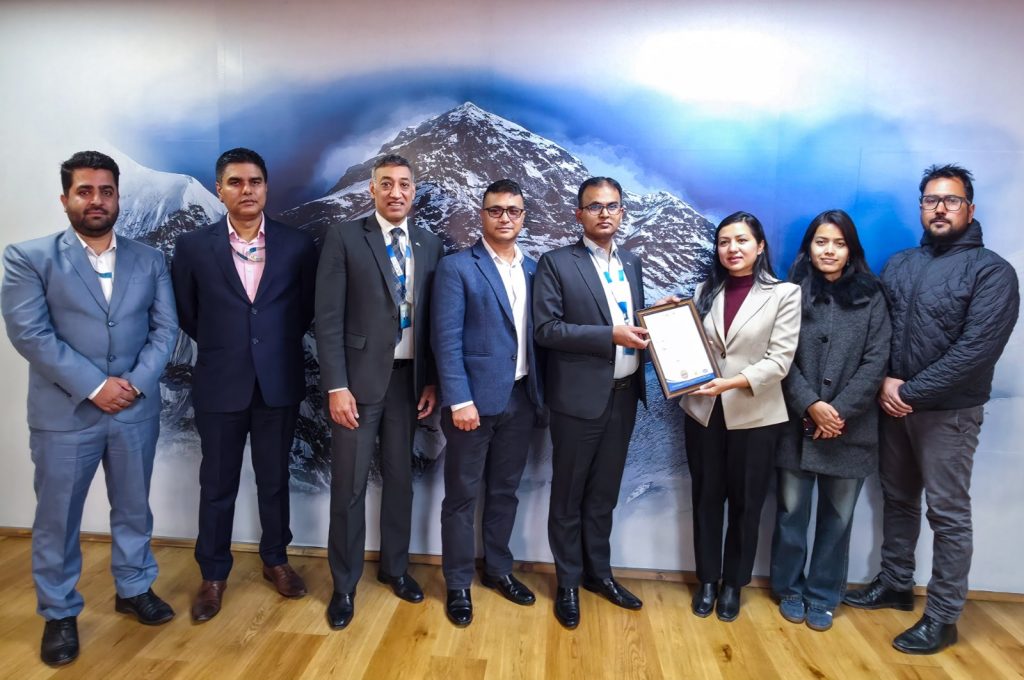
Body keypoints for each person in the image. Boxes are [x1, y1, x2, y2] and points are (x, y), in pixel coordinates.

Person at [1, 151, 178, 666]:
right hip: (64, 415)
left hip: (134, 411)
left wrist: (135, 385)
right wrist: (96, 386)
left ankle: (134, 587)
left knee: (133, 507)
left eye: (106, 191)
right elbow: (30, 334)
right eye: (85, 191)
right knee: (57, 518)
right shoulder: (28, 257)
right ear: (65, 199)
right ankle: (59, 612)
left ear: (118, 197)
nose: (96, 200)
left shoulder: (150, 258)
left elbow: (165, 329)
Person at [843, 164, 1019, 654]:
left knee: (948, 514)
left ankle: (943, 617)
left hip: (948, 414)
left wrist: (910, 392)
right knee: (898, 499)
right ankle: (896, 584)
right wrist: (883, 382)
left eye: (951, 200)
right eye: (931, 200)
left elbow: (977, 350)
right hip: (893, 404)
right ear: (921, 207)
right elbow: (875, 330)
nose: (940, 208)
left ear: (970, 209)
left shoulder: (992, 272)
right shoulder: (900, 264)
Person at [171, 148, 318, 622]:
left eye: (254, 181)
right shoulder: (193, 247)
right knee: (217, 484)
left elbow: (304, 310)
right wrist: (231, 347)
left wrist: (267, 347)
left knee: (275, 480)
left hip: (278, 382)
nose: (246, 190)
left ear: (266, 187)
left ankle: (276, 560)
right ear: (220, 190)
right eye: (235, 182)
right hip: (220, 383)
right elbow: (189, 314)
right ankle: (213, 574)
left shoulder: (297, 245)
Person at [315, 154, 443, 630]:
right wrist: (337, 385)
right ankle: (344, 585)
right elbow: (328, 318)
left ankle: (396, 569)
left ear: (414, 191)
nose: (395, 192)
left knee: (400, 480)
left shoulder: (429, 244)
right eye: (386, 183)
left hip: (408, 383)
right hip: (357, 384)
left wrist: (431, 378)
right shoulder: (346, 237)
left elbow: (433, 319)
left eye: (404, 184)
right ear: (372, 190)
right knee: (349, 486)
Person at [533, 177, 648, 629]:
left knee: (603, 495)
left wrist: (661, 317)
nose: (604, 213)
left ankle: (599, 575)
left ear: (622, 213)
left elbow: (635, 324)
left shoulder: (632, 263)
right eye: (594, 206)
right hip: (577, 401)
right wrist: (610, 335)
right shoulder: (557, 263)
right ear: (578, 214)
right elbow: (547, 329)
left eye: (612, 206)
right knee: (568, 496)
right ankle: (567, 583)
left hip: (624, 397)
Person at [769, 210, 890, 632]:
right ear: (809, 247)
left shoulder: (873, 296)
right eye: (821, 242)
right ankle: (789, 587)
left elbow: (877, 360)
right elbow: (779, 358)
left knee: (837, 520)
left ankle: (823, 594)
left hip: (850, 429)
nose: (829, 250)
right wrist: (810, 405)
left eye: (839, 243)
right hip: (795, 425)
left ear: (851, 250)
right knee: (791, 513)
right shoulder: (788, 294)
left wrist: (837, 411)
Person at [431, 179, 544, 627]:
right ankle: (458, 583)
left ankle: (498, 569)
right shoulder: (457, 267)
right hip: (471, 405)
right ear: (482, 215)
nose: (504, 218)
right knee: (461, 496)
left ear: (523, 217)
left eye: (513, 211)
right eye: (495, 210)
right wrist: (459, 399)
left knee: (504, 492)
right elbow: (446, 340)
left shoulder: (534, 269)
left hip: (521, 399)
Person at [679, 211, 800, 622]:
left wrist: (730, 384)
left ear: (760, 246)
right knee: (706, 498)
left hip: (756, 415)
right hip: (703, 412)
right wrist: (670, 314)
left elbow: (780, 361)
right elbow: (687, 345)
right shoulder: (704, 291)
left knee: (747, 504)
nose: (732, 248)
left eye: (742, 240)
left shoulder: (785, 294)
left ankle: (733, 584)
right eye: (724, 241)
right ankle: (707, 580)